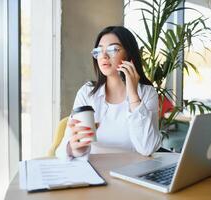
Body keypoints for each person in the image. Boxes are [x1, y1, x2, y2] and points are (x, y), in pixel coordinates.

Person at [56, 26, 162, 160]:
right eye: (99, 51)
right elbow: (61, 150)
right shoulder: (87, 93)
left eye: (113, 49)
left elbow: (147, 148)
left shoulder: (147, 93)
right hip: (93, 172)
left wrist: (134, 96)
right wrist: (74, 148)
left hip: (131, 173)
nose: (104, 56)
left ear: (129, 55)